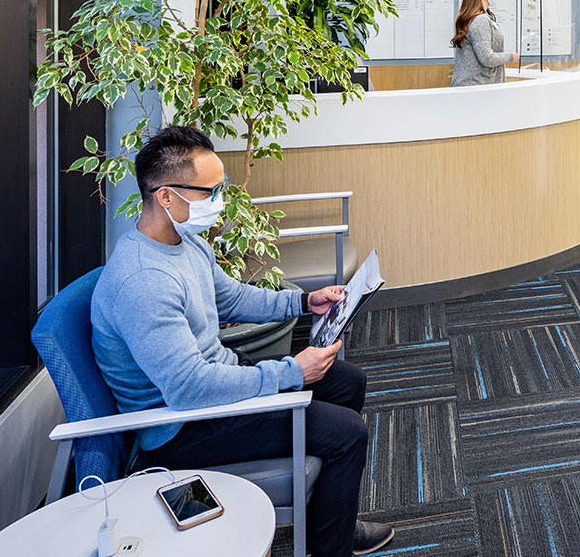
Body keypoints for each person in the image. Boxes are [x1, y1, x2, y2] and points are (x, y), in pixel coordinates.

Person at [91, 125, 394, 557]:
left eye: (221, 188)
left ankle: (330, 523)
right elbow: (188, 388)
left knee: (347, 381)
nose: (219, 201)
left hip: (216, 385)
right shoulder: (144, 282)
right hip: (182, 428)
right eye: (210, 191)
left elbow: (231, 298)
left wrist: (305, 301)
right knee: (347, 433)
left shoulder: (185, 241)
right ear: (165, 196)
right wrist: (291, 371)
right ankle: (332, 548)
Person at [450, 0, 515, 87]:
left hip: (478, 86)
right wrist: (511, 56)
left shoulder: (483, 17)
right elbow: (486, 58)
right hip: (475, 88)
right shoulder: (480, 20)